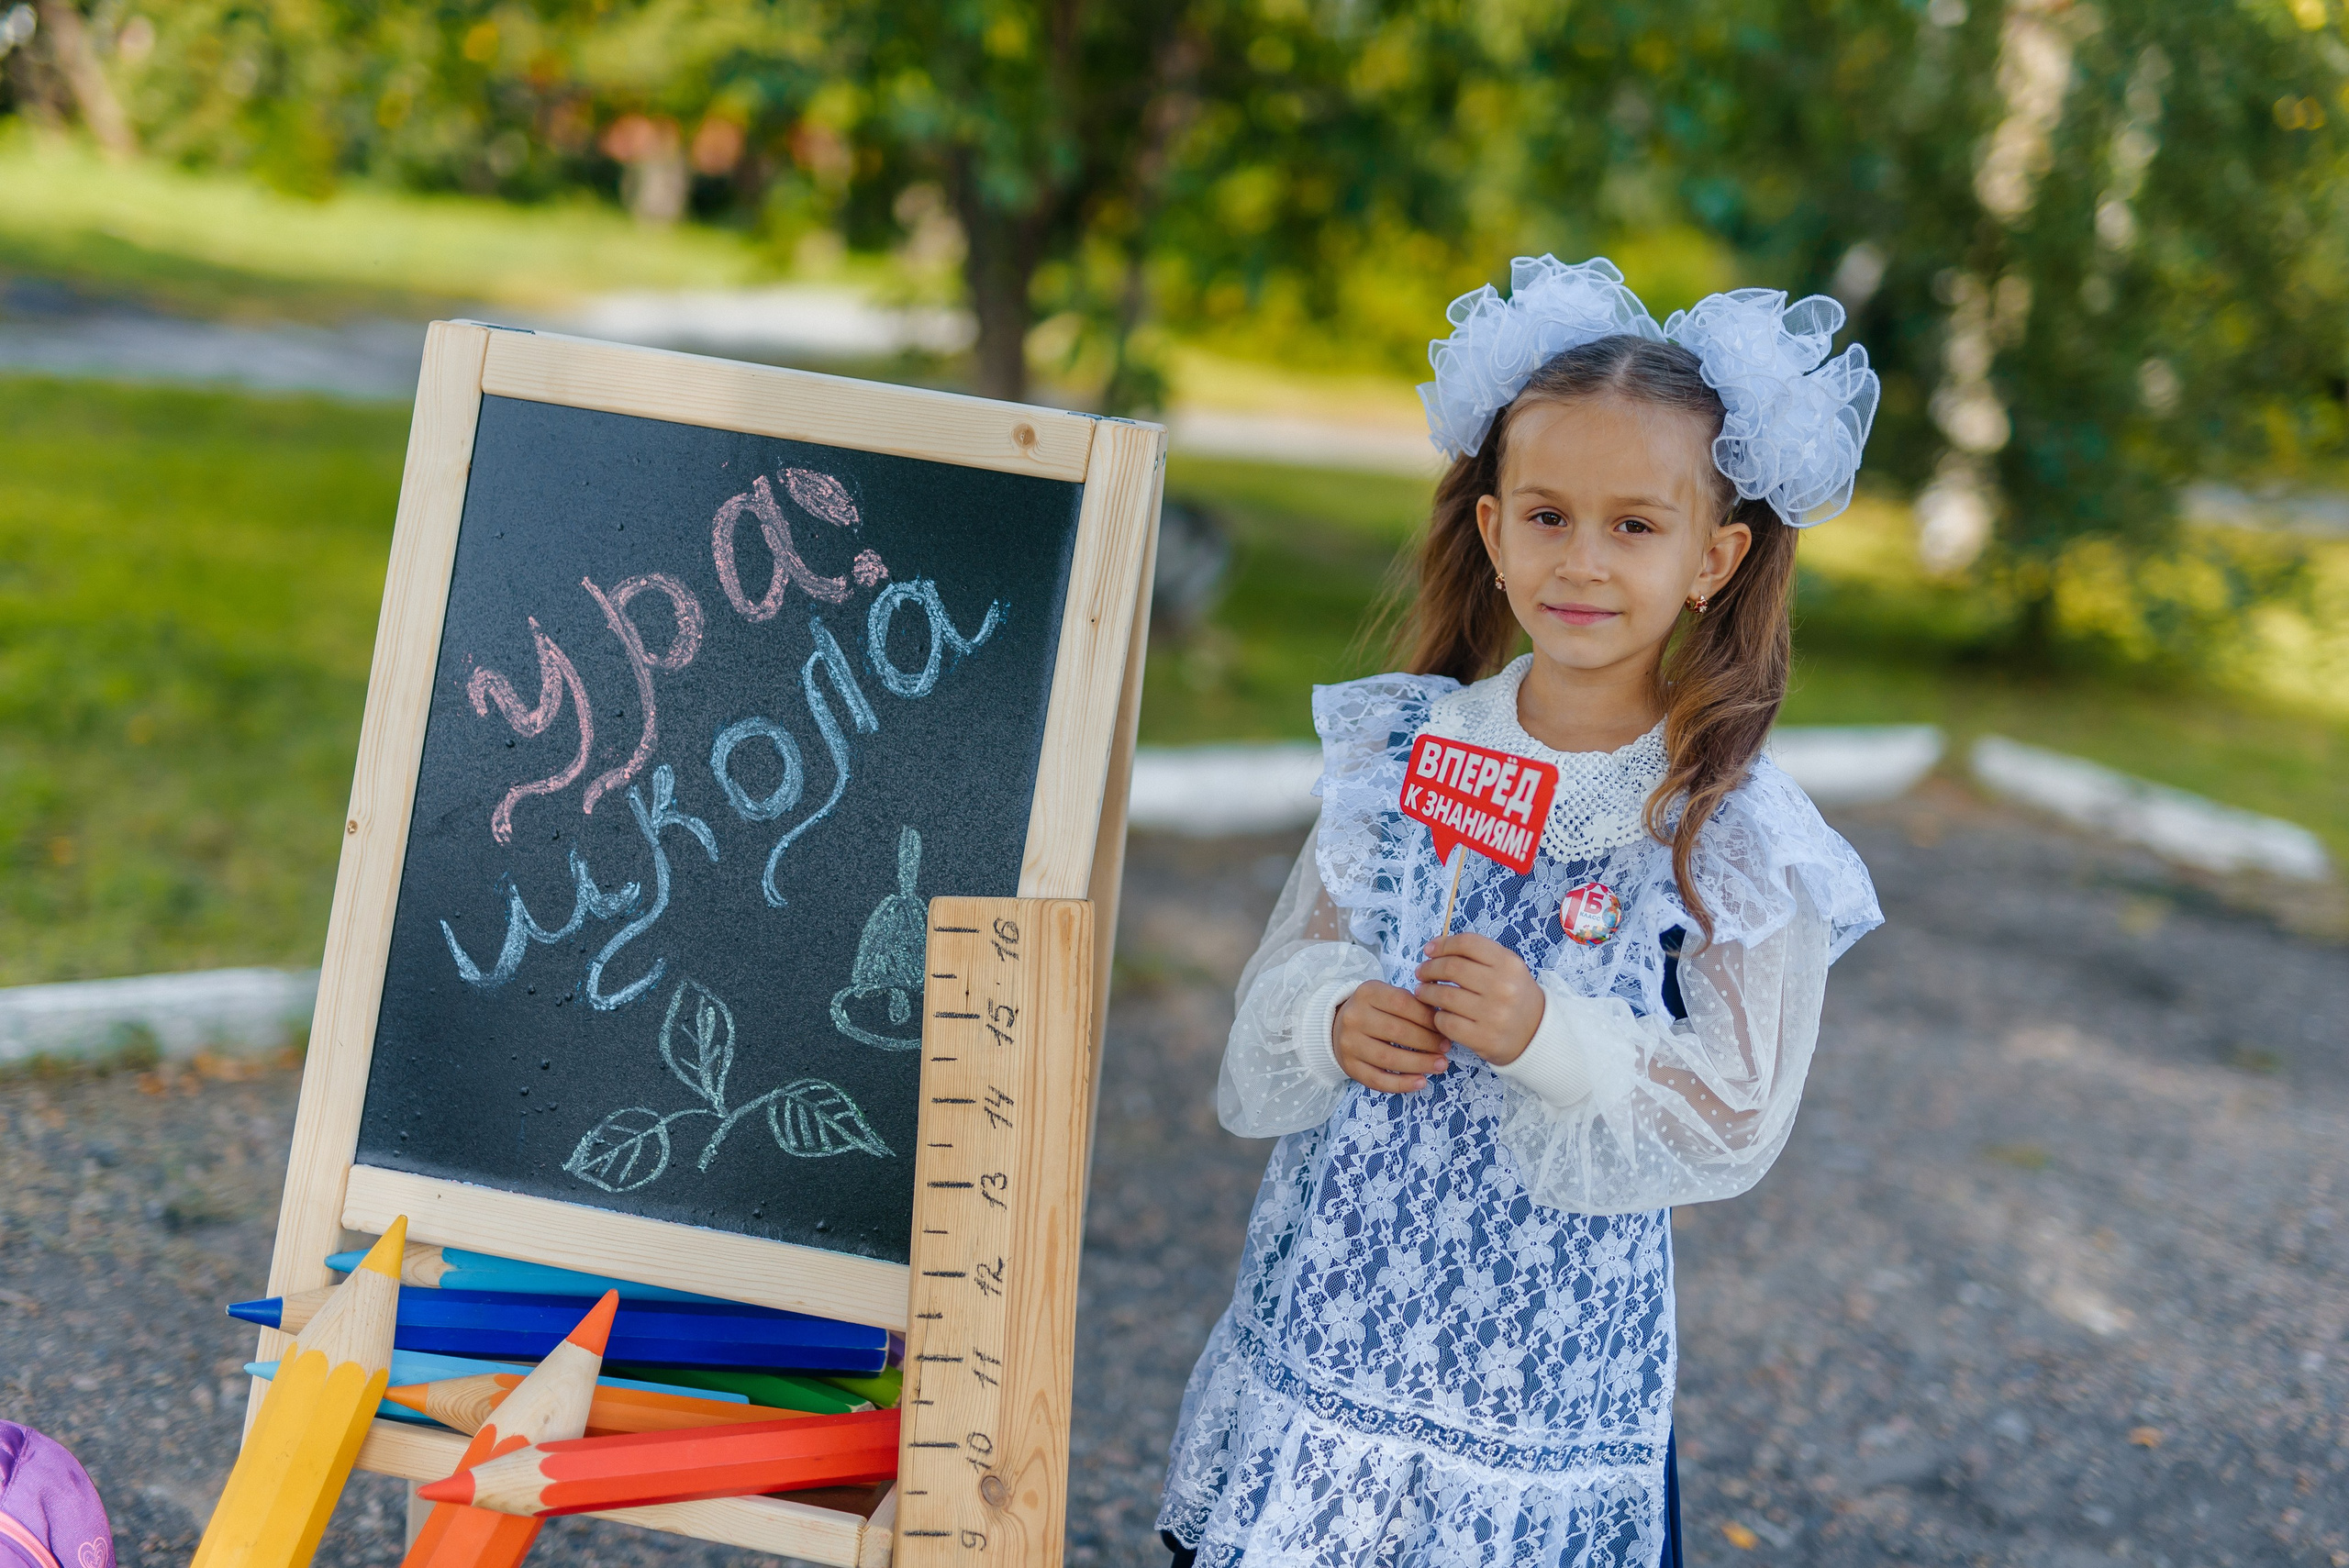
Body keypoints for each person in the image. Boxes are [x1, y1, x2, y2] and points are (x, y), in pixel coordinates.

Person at [1155, 256, 1887, 1567]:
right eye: (1547, 516)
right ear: (1491, 530)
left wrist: (1549, 1030)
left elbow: (1735, 1105)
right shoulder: (1408, 749)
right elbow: (1280, 984)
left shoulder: (1724, 822)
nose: (1583, 562)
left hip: (1541, 1366)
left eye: (1636, 526)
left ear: (1715, 556)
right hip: (1344, 1313)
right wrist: (1335, 1018)